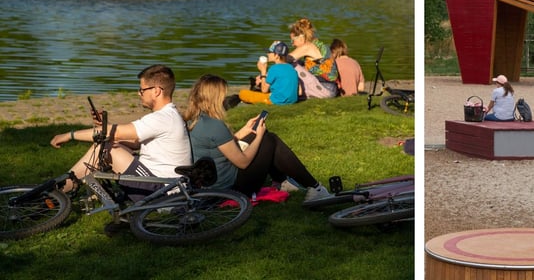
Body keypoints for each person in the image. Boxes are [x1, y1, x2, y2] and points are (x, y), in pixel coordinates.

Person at [49, 65, 192, 199]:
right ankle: (64, 188)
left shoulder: (162, 118)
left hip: (162, 192)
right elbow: (134, 142)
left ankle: (61, 190)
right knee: (109, 144)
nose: (139, 93)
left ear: (156, 91)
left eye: (142, 90)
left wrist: (70, 135)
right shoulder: (169, 115)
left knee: (109, 149)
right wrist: (106, 128)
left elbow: (116, 133)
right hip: (165, 186)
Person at [184, 73, 329, 200]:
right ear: (214, 98)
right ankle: (314, 187)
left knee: (262, 136)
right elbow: (243, 163)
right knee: (269, 139)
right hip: (232, 187)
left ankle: (284, 182)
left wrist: (245, 131)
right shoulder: (215, 125)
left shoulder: (194, 119)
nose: (224, 99)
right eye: (222, 95)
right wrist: (259, 136)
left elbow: (219, 145)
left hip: (211, 182)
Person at [237, 41, 299, 106]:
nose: (267, 54)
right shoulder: (291, 68)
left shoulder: (274, 68)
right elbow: (299, 91)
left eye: (270, 52)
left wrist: (263, 71)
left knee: (242, 93)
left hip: (276, 101)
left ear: (276, 56)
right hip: (292, 101)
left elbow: (264, 90)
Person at [288, 18, 339, 97]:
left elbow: (284, 59)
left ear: (301, 37)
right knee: (299, 63)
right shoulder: (317, 44)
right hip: (330, 87)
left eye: (292, 41)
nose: (292, 44)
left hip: (325, 88)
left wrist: (275, 51)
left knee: (293, 65)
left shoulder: (307, 46)